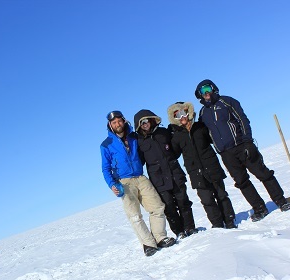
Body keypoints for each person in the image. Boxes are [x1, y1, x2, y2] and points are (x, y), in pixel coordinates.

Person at [194, 79, 290, 221]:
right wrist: (218, 148)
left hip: (242, 146)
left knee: (263, 173)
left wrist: (248, 142)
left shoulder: (227, 102)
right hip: (226, 153)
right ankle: (259, 208)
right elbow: (207, 133)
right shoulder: (203, 113)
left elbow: (242, 120)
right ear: (199, 95)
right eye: (202, 91)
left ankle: (281, 201)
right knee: (242, 182)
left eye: (208, 89)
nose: (206, 93)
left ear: (213, 88)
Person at [100, 110, 175, 256]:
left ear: (124, 121)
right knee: (134, 215)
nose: (117, 124)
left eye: (119, 121)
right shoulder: (106, 144)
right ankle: (148, 244)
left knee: (157, 207)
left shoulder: (134, 136)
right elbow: (105, 168)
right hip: (124, 182)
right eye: (114, 122)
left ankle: (160, 237)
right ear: (110, 125)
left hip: (141, 177)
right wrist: (112, 184)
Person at [167, 101, 237, 229]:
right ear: (174, 118)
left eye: (183, 113)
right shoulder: (176, 136)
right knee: (207, 200)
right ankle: (217, 224)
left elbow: (214, 138)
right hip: (195, 172)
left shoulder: (200, 126)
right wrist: (169, 137)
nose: (181, 117)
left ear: (188, 112)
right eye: (177, 115)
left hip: (211, 166)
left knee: (221, 195)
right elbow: (174, 154)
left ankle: (229, 220)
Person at [133, 109, 198, 239]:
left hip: (175, 174)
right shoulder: (139, 142)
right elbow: (138, 161)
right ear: (138, 125)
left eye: (147, 121)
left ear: (151, 120)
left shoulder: (163, 133)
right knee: (169, 208)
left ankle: (190, 227)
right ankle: (179, 231)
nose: (145, 124)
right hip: (159, 180)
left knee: (183, 202)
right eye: (142, 123)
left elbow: (175, 149)